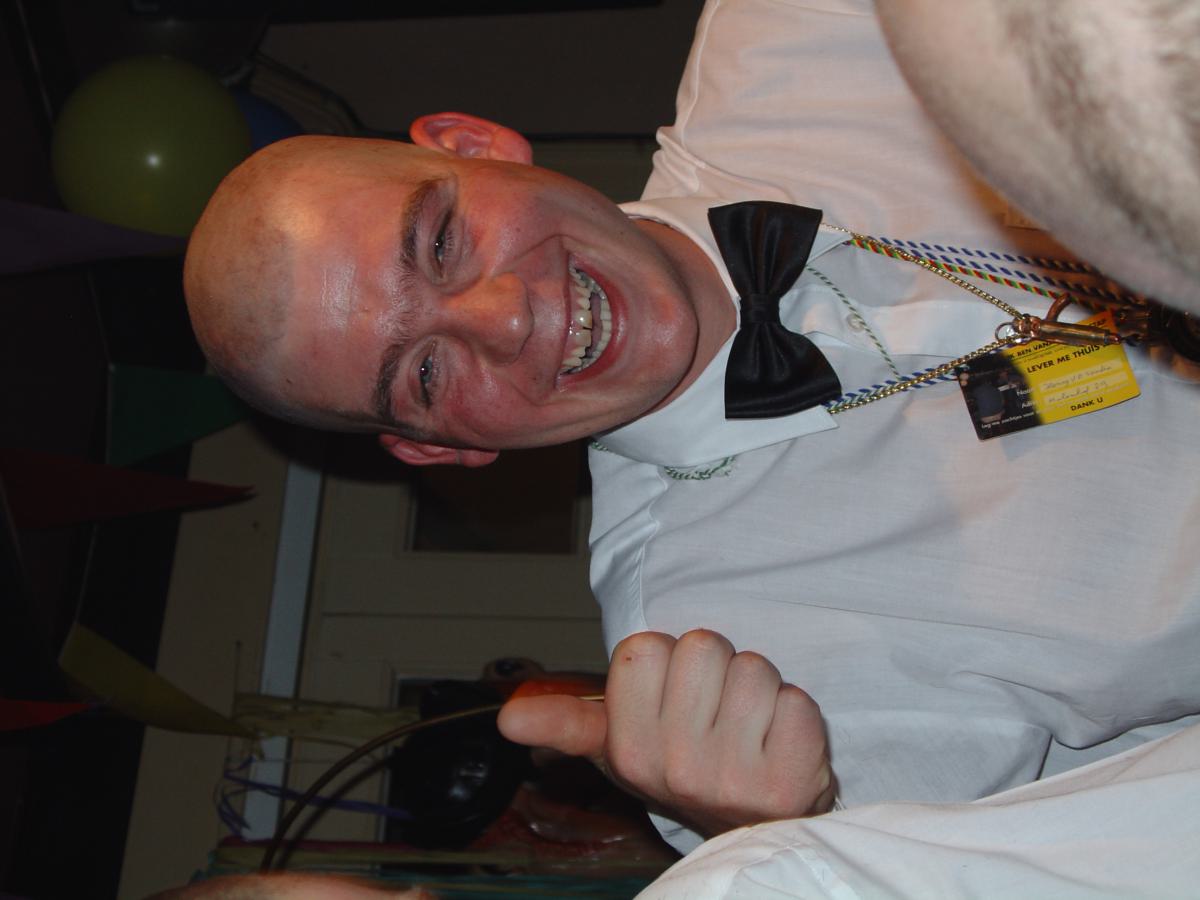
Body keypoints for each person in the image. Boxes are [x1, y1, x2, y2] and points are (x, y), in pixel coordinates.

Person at [184, 0, 1200, 893]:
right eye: (425, 375)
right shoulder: (723, 691)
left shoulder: (802, 31)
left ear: (474, 144)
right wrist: (791, 836)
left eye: (441, 242)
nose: (506, 319)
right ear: (439, 450)